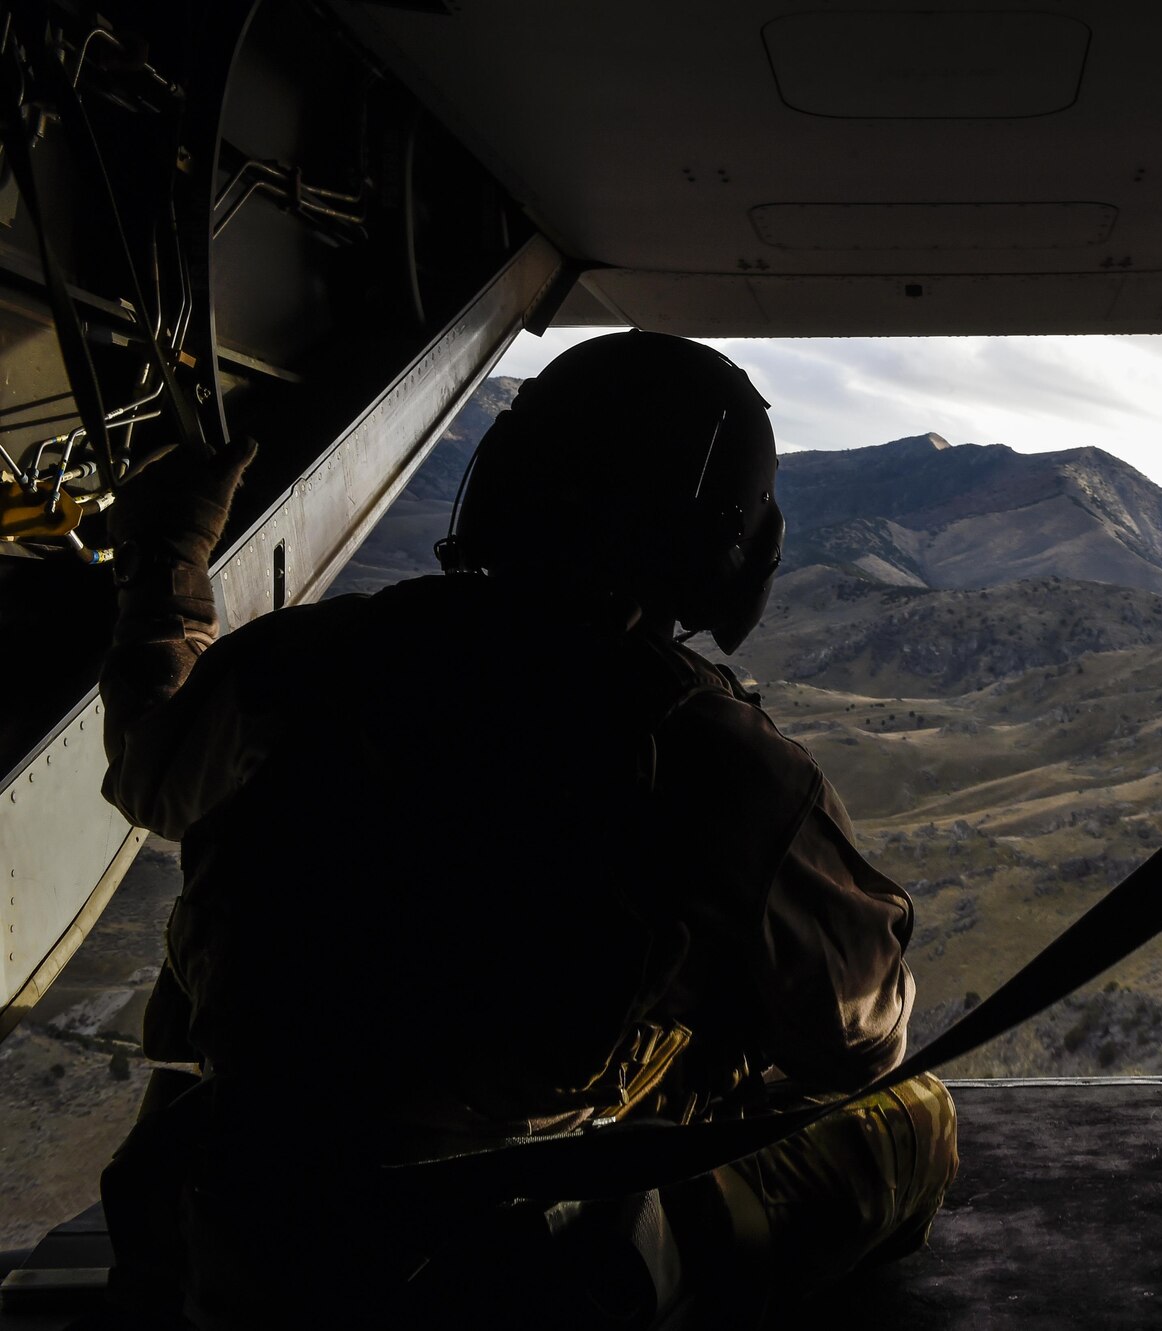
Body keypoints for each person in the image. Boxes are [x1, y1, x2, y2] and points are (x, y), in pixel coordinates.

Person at [94, 332, 958, 1328]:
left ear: (507, 475)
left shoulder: (306, 660)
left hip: (244, 1228)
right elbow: (858, 1041)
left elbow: (150, 765)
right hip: (502, 1274)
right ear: (725, 544)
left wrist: (164, 566)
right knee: (911, 1118)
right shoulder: (715, 761)